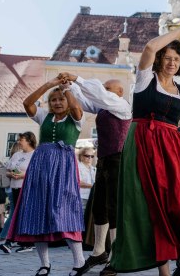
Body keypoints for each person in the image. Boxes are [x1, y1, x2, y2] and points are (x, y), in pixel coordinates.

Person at [106, 23, 180, 276]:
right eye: (167, 58)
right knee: (149, 204)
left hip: (172, 147)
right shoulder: (145, 78)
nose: (172, 63)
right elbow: (149, 47)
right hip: (144, 142)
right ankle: (164, 269)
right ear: (159, 60)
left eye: (177, 59)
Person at [7, 77, 87, 276]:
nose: (58, 102)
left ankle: (79, 261)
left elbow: (76, 109)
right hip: (40, 168)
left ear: (68, 100)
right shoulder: (44, 116)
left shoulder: (76, 119)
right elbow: (27, 103)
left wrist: (65, 88)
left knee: (65, 210)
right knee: (38, 210)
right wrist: (50, 85)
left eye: (61, 99)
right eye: (54, 100)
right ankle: (44, 264)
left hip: (63, 169)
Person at [62, 74, 132, 274]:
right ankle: (99, 251)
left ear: (119, 93)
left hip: (119, 160)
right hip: (104, 160)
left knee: (113, 207)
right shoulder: (104, 106)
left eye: (107, 88)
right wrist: (69, 86)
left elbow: (98, 95)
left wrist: (77, 78)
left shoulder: (121, 106)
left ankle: (115, 255)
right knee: (99, 206)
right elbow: (85, 101)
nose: (103, 90)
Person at [0, 135, 35, 254]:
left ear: (29, 141)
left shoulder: (35, 154)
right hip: (14, 187)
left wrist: (23, 175)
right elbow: (8, 170)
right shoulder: (17, 155)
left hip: (27, 188)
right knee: (16, 214)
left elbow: (35, 172)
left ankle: (17, 242)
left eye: (22, 140)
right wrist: (13, 174)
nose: (19, 142)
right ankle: (18, 242)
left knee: (21, 215)